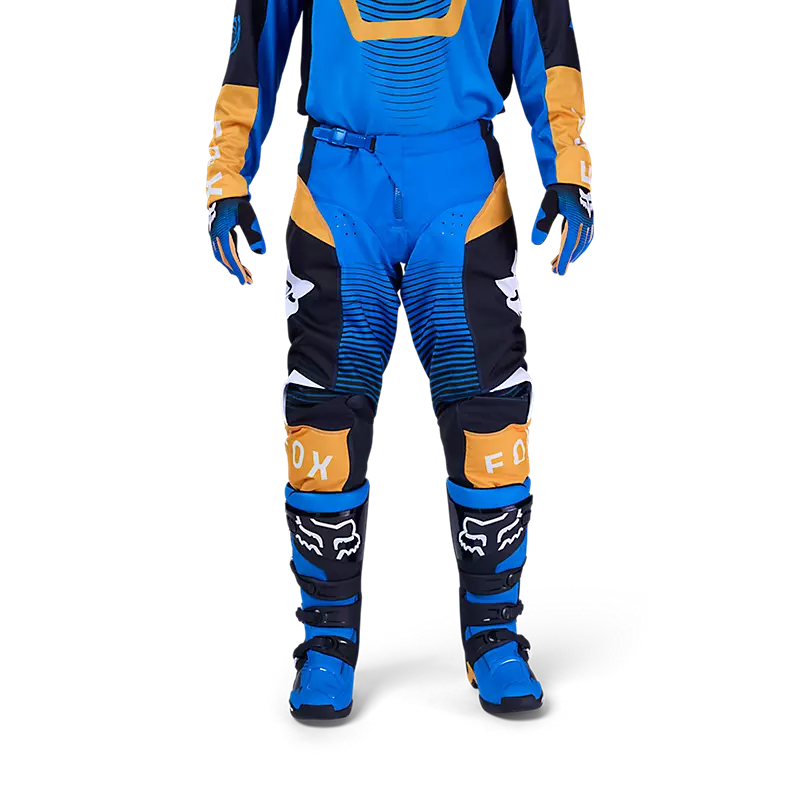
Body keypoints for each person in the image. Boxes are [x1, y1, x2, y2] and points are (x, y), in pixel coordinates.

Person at [206, 0, 595, 719]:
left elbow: (548, 39)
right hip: (337, 188)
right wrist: (227, 177)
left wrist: (567, 170)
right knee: (323, 421)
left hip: (462, 186)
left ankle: (493, 634)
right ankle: (327, 644)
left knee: (490, 417)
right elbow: (254, 40)